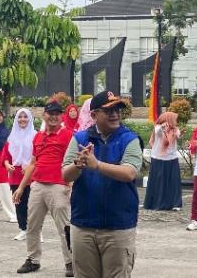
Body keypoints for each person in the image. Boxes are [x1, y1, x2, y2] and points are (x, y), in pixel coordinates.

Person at [62, 91, 142, 278]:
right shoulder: (80, 139)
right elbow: (66, 174)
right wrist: (78, 165)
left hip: (118, 226)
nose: (114, 114)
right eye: (108, 110)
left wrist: (97, 165)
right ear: (93, 115)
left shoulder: (129, 139)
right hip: (83, 225)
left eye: (117, 109)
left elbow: (129, 173)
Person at [13, 100, 73, 276]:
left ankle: (71, 261)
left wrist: (71, 184)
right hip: (37, 185)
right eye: (50, 114)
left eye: (57, 114)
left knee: (64, 227)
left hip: (58, 185)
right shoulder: (38, 137)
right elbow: (32, 163)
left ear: (61, 116)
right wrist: (22, 187)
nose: (54, 117)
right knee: (32, 225)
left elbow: (73, 162)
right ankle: (33, 259)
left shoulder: (68, 135)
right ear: (44, 115)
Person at [3, 108, 37, 240]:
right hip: (16, 174)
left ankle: (35, 231)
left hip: (32, 175)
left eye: (25, 117)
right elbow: (5, 155)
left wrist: (29, 166)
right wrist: (7, 164)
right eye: (20, 117)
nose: (22, 119)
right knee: (19, 203)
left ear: (30, 119)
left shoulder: (36, 135)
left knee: (33, 204)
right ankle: (23, 229)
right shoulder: (12, 136)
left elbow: (39, 155)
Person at [143, 111, 182, 211]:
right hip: (158, 158)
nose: (175, 121)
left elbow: (178, 135)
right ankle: (155, 203)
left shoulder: (175, 130)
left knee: (173, 181)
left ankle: (174, 203)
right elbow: (157, 132)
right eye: (173, 119)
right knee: (158, 181)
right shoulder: (158, 128)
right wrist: (164, 127)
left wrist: (171, 130)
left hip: (172, 158)